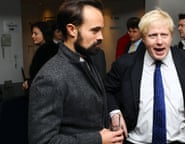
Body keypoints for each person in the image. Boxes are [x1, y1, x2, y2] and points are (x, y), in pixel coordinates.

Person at [104, 8, 185, 144]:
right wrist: (114, 112)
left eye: (164, 35)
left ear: (171, 35)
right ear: (143, 38)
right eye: (152, 36)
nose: (159, 41)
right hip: (136, 140)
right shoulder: (125, 63)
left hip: (181, 140)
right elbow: (106, 90)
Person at [28, 0, 124, 144]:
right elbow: (42, 141)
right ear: (72, 29)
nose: (101, 37)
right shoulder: (50, 78)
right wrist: (98, 139)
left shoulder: (89, 60)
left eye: (101, 30)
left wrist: (111, 116)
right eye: (94, 30)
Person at [22, 21, 58, 91]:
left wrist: (30, 82)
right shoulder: (46, 48)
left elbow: (47, 76)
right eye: (32, 33)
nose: (32, 36)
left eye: (36, 34)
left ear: (44, 33)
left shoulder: (48, 49)